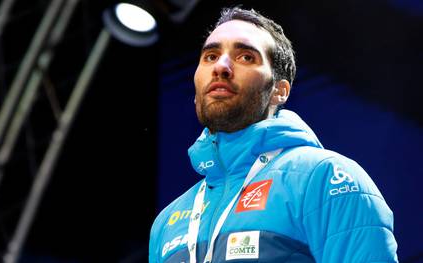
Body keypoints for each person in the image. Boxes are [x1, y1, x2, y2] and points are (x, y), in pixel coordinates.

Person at [149, 6, 398, 263]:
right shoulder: (168, 221)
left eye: (246, 57)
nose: (221, 67)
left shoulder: (326, 178)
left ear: (280, 91)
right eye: (210, 56)